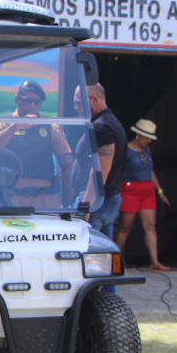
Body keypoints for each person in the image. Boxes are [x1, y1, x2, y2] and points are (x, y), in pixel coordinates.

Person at [73, 82, 127, 293]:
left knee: (87, 258)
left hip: (98, 202)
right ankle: (107, 300)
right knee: (105, 257)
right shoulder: (107, 123)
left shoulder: (103, 126)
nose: (76, 107)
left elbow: (100, 172)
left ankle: (92, 304)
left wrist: (86, 205)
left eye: (78, 102)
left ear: (94, 99)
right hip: (106, 200)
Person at [0, 80, 73, 207]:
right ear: (18, 100)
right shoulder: (3, 124)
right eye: (28, 100)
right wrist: (14, 127)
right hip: (11, 199)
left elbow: (67, 162)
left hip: (43, 199)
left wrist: (67, 200)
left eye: (37, 102)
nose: (32, 105)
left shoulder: (50, 128)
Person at [114, 119, 171, 270]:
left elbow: (150, 171)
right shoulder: (126, 150)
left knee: (150, 226)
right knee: (125, 226)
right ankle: (114, 260)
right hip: (129, 190)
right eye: (146, 137)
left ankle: (155, 261)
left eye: (150, 138)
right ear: (138, 135)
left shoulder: (147, 151)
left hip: (147, 191)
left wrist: (159, 191)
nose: (148, 141)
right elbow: (116, 169)